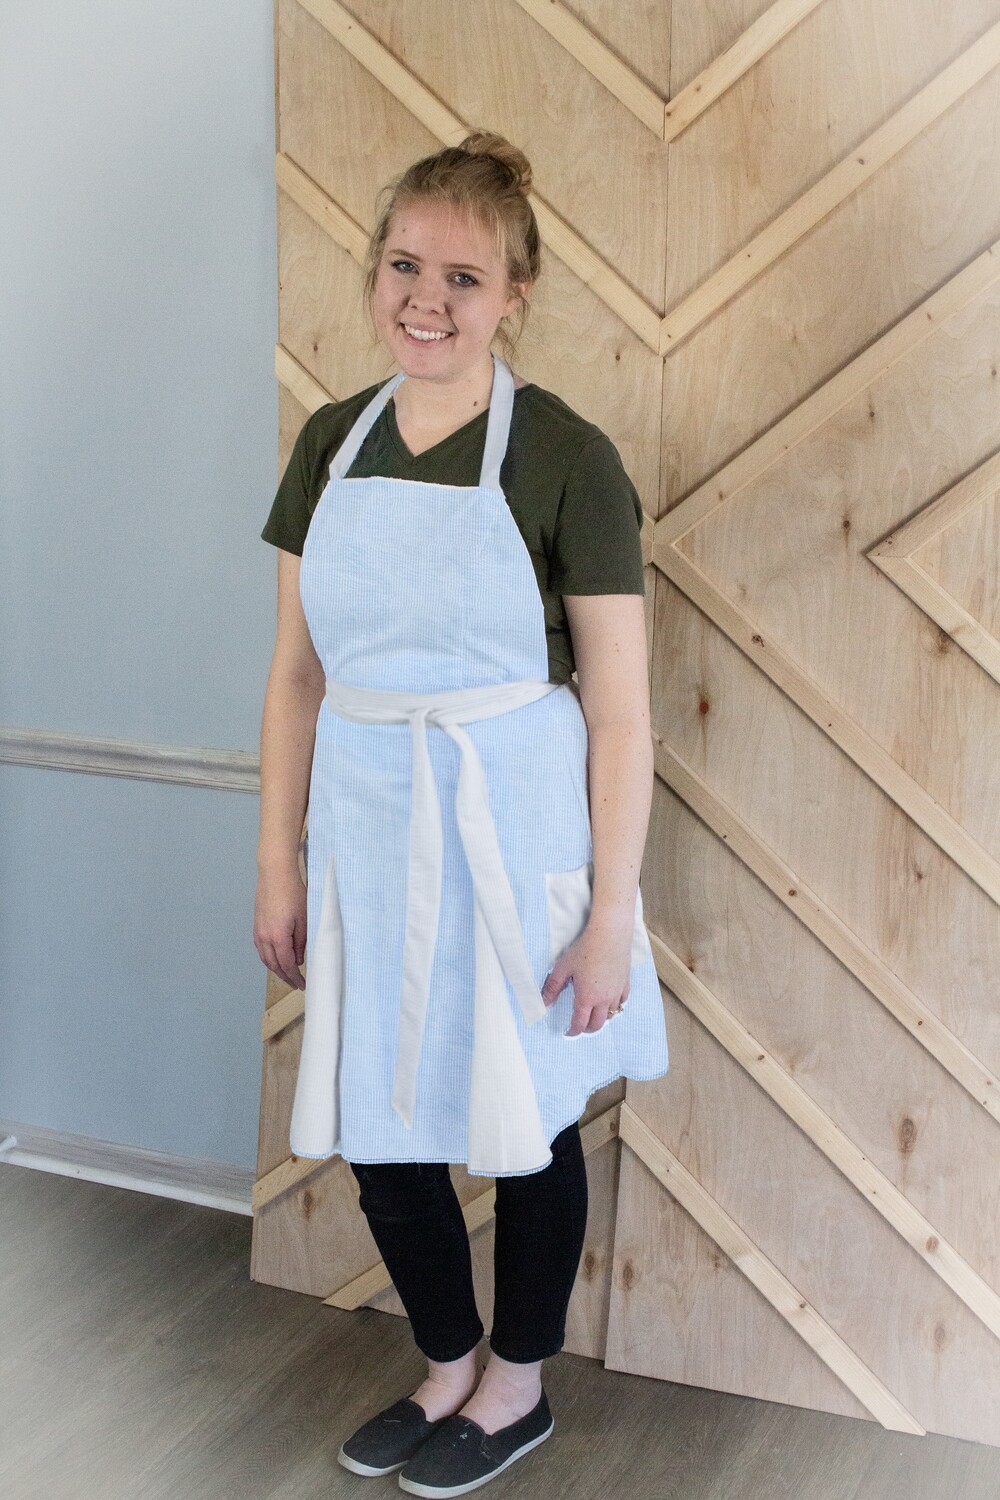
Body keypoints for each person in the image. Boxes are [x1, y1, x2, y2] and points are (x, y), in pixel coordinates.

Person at [254, 130, 669, 1495]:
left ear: (515, 296)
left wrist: (610, 916)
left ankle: (519, 1383)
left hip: (515, 827)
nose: (426, 298)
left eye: (464, 276)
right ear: (378, 272)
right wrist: (277, 862)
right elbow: (297, 674)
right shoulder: (333, 438)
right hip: (364, 826)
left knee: (526, 1118)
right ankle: (444, 1363)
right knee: (384, 1120)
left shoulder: (564, 455)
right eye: (404, 265)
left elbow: (618, 712)